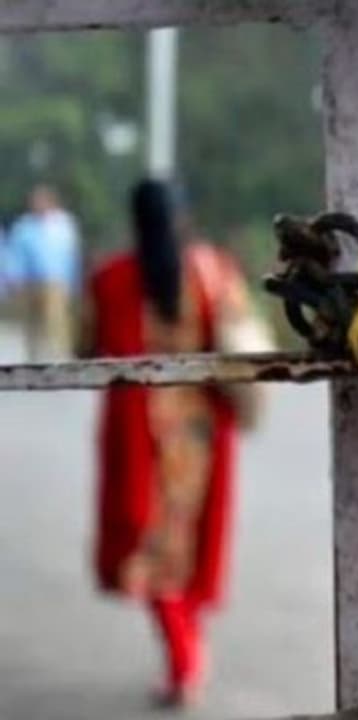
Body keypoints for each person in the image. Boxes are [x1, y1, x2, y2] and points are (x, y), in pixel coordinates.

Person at [83, 180, 267, 707]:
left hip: (141, 435)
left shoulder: (111, 277)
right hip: (200, 431)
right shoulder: (213, 270)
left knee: (153, 547)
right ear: (182, 216)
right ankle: (189, 650)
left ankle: (185, 660)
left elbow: (86, 344)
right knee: (187, 542)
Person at [5, 184, 80, 361]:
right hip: (30, 281)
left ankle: (60, 356)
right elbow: (15, 255)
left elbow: (71, 255)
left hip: (55, 281)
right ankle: (34, 357)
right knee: (32, 323)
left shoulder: (62, 225)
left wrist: (73, 282)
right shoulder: (24, 227)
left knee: (56, 321)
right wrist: (13, 278)